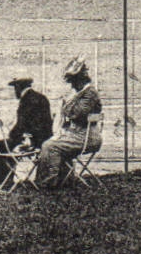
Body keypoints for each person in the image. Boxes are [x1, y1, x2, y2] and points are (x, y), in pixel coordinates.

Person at [34, 57, 103, 188]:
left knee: (50, 146)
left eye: (73, 81)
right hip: (80, 135)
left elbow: (76, 114)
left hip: (86, 138)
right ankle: (64, 181)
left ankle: (47, 183)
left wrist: (66, 105)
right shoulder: (82, 93)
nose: (72, 85)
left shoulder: (89, 93)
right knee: (54, 144)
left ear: (80, 80)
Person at [0, 76, 53, 185]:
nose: (15, 91)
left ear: (19, 87)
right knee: (8, 144)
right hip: (44, 137)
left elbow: (22, 125)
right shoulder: (40, 97)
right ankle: (7, 179)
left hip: (34, 140)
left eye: (15, 88)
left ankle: (2, 181)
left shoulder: (26, 100)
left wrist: (12, 134)